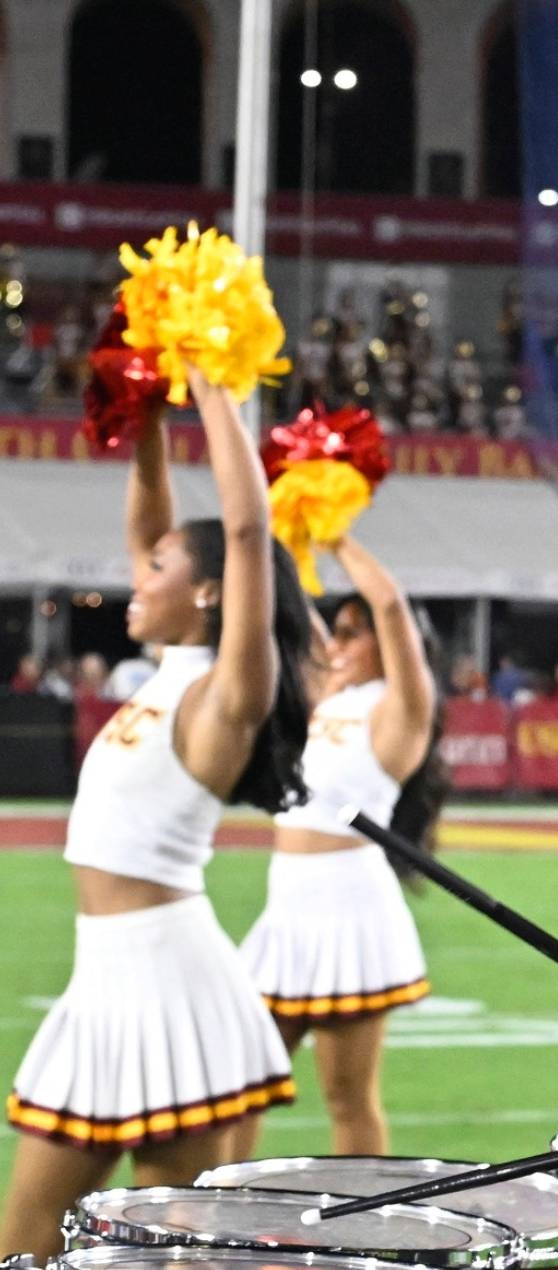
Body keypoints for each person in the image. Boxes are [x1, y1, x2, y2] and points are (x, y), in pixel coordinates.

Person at [1, 372, 312, 1262]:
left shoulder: (226, 693)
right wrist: (144, 413)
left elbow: (247, 532)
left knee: (171, 1249)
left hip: (173, 990)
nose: (137, 577)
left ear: (212, 592)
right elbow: (149, 521)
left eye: (162, 569)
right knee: (26, 1240)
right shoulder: (168, 665)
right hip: (102, 983)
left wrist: (214, 385)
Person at [233, 535, 446, 1158]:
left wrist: (336, 537)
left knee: (347, 1098)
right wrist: (288, 544)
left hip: (350, 914)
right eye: (338, 632)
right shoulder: (323, 699)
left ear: (387, 643)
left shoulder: (399, 708)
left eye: (355, 631)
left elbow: (391, 606)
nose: (339, 643)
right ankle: (217, 1206)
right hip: (287, 912)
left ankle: (362, 1230)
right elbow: (296, 624)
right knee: (241, 1082)